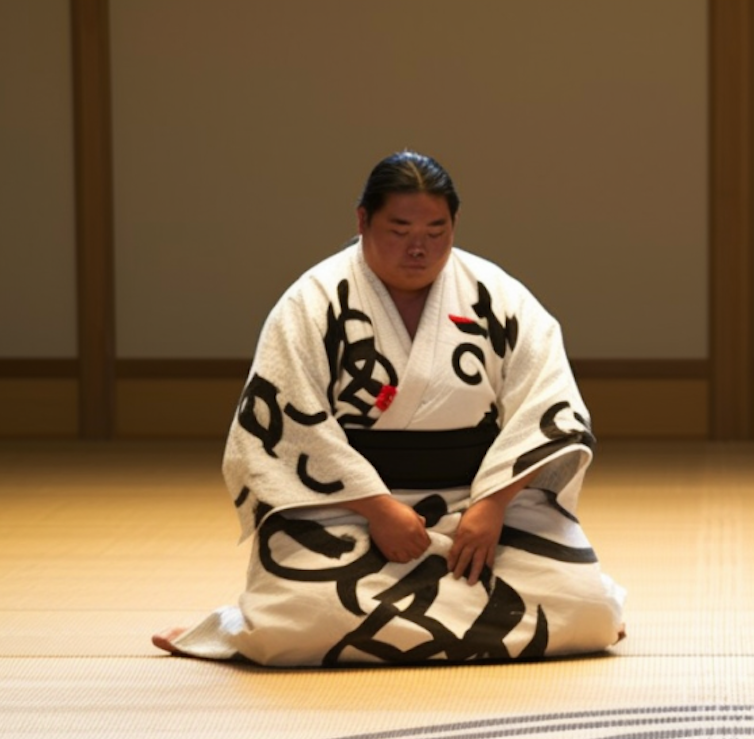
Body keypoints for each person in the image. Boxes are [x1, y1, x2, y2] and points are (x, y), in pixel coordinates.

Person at [154, 151, 625, 665]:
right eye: (399, 230)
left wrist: (491, 505)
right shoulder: (313, 301)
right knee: (295, 620)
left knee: (588, 610)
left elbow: (549, 402)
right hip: (347, 509)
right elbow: (286, 423)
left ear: (455, 224)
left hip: (479, 502)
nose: (418, 248)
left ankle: (554, 587)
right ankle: (239, 622)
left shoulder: (497, 295)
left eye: (435, 231)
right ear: (362, 220)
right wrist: (377, 508)